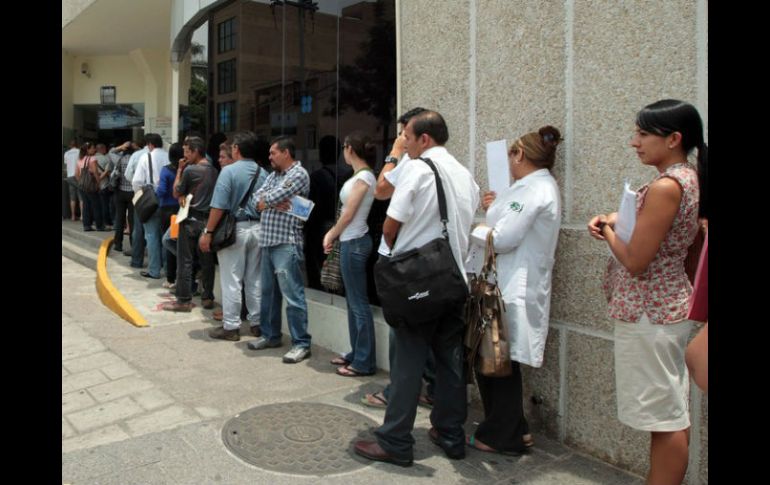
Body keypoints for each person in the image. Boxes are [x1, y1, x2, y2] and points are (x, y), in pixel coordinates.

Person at [587, 99, 707, 485]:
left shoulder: (667, 186)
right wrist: (613, 219)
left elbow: (636, 260)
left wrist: (607, 230)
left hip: (649, 312)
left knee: (664, 418)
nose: (634, 142)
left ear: (673, 139)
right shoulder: (686, 177)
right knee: (667, 411)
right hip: (663, 308)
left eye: (643, 133)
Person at [354, 110, 479, 466]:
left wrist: (390, 257)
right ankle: (450, 434)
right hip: (453, 281)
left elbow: (390, 223)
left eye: (406, 137)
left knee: (407, 362)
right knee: (450, 363)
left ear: (424, 139)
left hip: (419, 283)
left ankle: (395, 440)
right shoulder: (465, 175)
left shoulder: (418, 169)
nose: (403, 143)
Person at [466, 126, 563, 455]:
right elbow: (508, 222)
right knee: (496, 359)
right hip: (508, 283)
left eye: (511, 155)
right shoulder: (531, 188)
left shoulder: (535, 188)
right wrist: (495, 207)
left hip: (513, 286)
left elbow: (503, 237)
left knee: (498, 362)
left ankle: (501, 435)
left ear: (519, 154)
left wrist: (475, 230)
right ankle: (516, 429)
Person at [361, 107, 436, 409]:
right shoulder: (441, 167)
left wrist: (393, 153)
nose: (400, 138)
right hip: (429, 261)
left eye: (404, 133)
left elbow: (381, 191)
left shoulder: (411, 163)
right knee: (423, 331)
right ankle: (431, 387)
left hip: (405, 259)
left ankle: (399, 393)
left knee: (401, 331)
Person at [249, 136, 313, 364]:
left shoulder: (298, 174)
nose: (269, 157)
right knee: (269, 293)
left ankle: (301, 343)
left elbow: (273, 197)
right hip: (268, 241)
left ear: (286, 153)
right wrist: (271, 202)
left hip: (286, 242)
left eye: (273, 153)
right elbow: (255, 200)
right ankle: (270, 335)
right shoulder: (273, 176)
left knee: (293, 295)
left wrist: (269, 202)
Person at [201, 131, 268, 340]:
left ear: (236, 149)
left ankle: (231, 326)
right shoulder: (263, 173)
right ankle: (257, 324)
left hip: (235, 230)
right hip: (259, 228)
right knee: (255, 278)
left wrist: (208, 232)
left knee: (231, 279)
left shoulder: (228, 172)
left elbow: (218, 206)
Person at [322, 131, 377, 377]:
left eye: (344, 147)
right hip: (350, 241)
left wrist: (330, 234)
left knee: (358, 303)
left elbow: (348, 214)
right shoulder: (360, 175)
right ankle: (357, 353)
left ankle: (363, 361)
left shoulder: (364, 176)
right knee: (353, 302)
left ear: (350, 149)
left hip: (354, 242)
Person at [160, 136, 218, 312]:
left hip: (190, 219)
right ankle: (207, 296)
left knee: (185, 261)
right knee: (207, 261)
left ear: (195, 151)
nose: (184, 156)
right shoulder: (214, 171)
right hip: (208, 221)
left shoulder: (190, 170)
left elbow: (176, 192)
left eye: (187, 152)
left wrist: (179, 170)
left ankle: (183, 300)